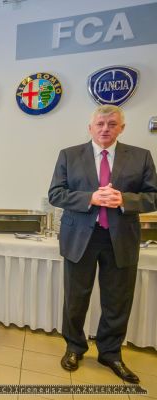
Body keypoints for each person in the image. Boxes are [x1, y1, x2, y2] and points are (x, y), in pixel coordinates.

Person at [48, 105, 157, 383]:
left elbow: (153, 197)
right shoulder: (69, 155)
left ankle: (110, 353)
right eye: (100, 124)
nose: (105, 129)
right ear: (90, 128)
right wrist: (90, 198)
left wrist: (125, 200)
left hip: (121, 238)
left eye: (112, 124)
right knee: (75, 298)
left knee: (117, 300)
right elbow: (56, 194)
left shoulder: (141, 156)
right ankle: (74, 348)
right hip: (80, 238)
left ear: (122, 128)